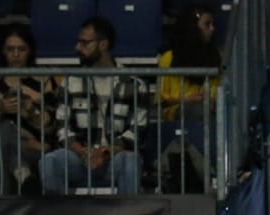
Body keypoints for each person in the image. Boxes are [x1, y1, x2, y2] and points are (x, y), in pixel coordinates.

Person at [40, 16, 149, 196]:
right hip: (79, 158)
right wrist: (82, 152)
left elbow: (137, 131)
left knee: (130, 161)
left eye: (84, 43)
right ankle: (57, 213)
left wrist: (104, 152)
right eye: (78, 42)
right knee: (50, 161)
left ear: (103, 44)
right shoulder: (70, 82)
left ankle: (129, 213)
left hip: (114, 159)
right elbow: (62, 127)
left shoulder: (135, 85)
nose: (77, 48)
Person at [0, 24, 55, 195]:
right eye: (10, 49)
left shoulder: (43, 79)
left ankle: (19, 180)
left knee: (4, 164)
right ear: (2, 51)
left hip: (30, 149)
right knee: (6, 129)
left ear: (30, 51)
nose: (16, 55)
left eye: (21, 49)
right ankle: (24, 176)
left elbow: (52, 124)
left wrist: (31, 111)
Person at [156, 3, 222, 189]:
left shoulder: (217, 57)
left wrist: (212, 102)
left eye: (212, 24)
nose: (212, 29)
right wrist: (188, 99)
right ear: (193, 28)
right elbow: (162, 99)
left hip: (207, 109)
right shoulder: (168, 58)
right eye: (207, 24)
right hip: (176, 111)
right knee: (197, 110)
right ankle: (208, 168)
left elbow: (218, 91)